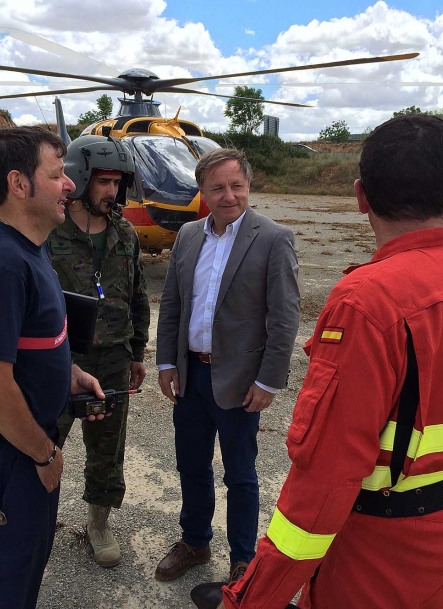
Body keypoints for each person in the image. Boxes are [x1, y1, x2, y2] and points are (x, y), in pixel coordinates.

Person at [208, 115, 443, 609]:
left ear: (361, 196)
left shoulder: (368, 300)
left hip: (385, 552)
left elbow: (323, 484)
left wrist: (248, 600)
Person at [0, 126, 104, 609]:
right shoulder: (2, 265)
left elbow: (27, 345)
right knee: (1, 588)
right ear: (19, 184)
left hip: (19, 452)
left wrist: (69, 374)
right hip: (5, 458)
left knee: (23, 579)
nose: (70, 186)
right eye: (57, 175)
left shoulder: (31, 252)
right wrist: (44, 454)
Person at [155, 147, 301, 584]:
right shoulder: (187, 236)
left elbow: (285, 316)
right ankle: (196, 542)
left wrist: (269, 380)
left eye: (237, 185)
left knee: (240, 474)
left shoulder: (274, 238)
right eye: (217, 187)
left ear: (249, 187)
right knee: (191, 465)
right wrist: (167, 362)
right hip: (192, 376)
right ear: (202, 191)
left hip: (241, 382)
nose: (229, 195)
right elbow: (173, 304)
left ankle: (242, 557)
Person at [47, 135, 150, 568]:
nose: (111, 191)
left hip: (111, 361)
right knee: (44, 442)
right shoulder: (50, 235)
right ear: (81, 179)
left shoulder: (125, 233)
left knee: (107, 449)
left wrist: (137, 352)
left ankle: (99, 522)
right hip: (58, 361)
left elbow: (139, 295)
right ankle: (33, 518)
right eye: (104, 181)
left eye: (117, 182)